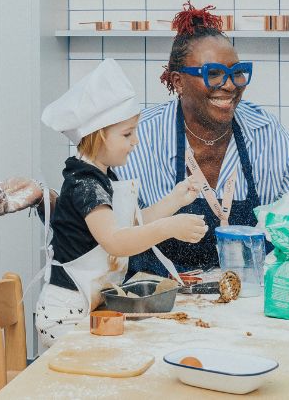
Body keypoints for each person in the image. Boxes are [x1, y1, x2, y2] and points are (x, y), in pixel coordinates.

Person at [0, 2, 289, 275]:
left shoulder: (263, 134)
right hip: (157, 307)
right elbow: (103, 218)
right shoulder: (134, 138)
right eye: (213, 74)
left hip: (246, 309)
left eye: (238, 73)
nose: (230, 85)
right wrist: (44, 197)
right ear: (177, 80)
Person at [34, 59, 207, 349]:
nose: (135, 141)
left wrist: (176, 200)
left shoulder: (101, 177)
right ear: (98, 136)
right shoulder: (85, 184)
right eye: (127, 134)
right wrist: (169, 227)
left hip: (89, 304)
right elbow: (116, 242)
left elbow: (134, 225)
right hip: (65, 316)